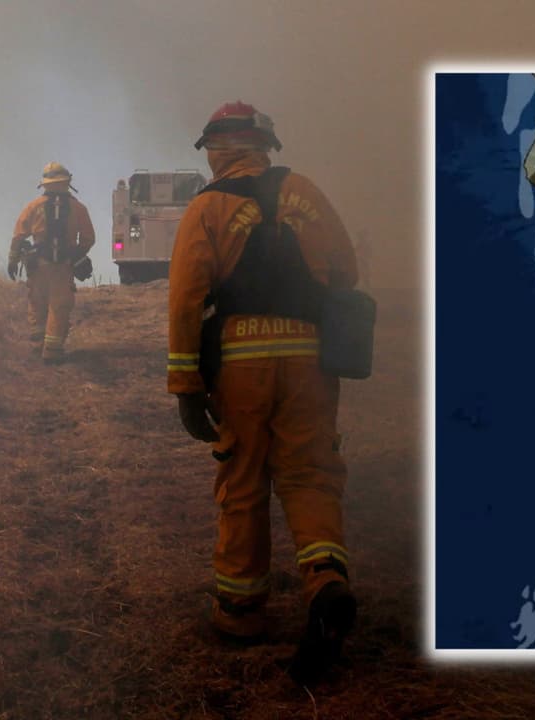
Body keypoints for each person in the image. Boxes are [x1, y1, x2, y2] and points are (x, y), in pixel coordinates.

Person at [166, 101, 358, 682]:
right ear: (264, 146)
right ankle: (326, 582)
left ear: (216, 151)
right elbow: (346, 274)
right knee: (309, 474)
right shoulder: (308, 192)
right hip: (310, 361)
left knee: (244, 479)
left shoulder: (206, 208)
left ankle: (239, 613)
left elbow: (186, 300)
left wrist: (186, 385)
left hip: (241, 364)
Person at [8, 162, 95, 363]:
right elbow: (88, 238)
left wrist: (13, 259)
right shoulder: (78, 208)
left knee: (37, 304)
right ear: (67, 182)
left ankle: (37, 347)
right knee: (59, 306)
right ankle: (53, 352)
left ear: (45, 184)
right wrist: (75, 255)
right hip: (63, 268)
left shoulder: (33, 207)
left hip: (37, 266)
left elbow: (19, 236)